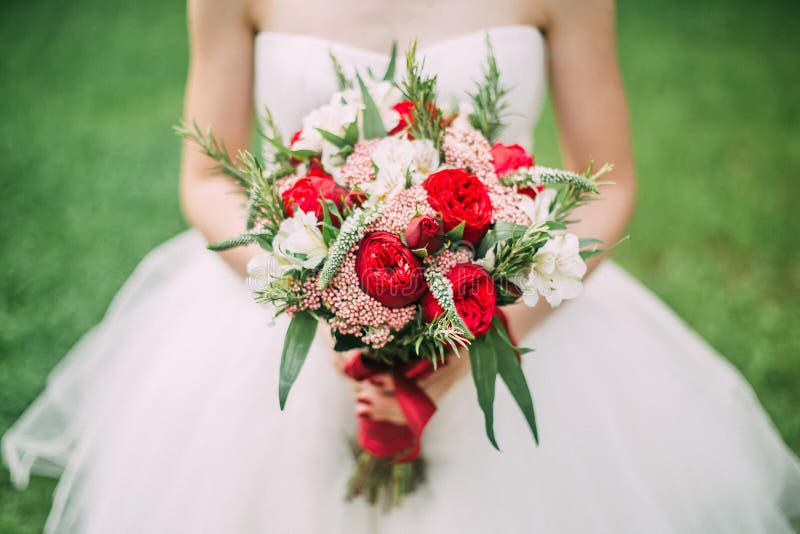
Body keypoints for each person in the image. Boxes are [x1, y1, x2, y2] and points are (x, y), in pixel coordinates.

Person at [3, 0, 799, 532]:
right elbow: (207, 175)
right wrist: (317, 297)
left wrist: (486, 327)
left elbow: (608, 181)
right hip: (285, 303)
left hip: (504, 307)